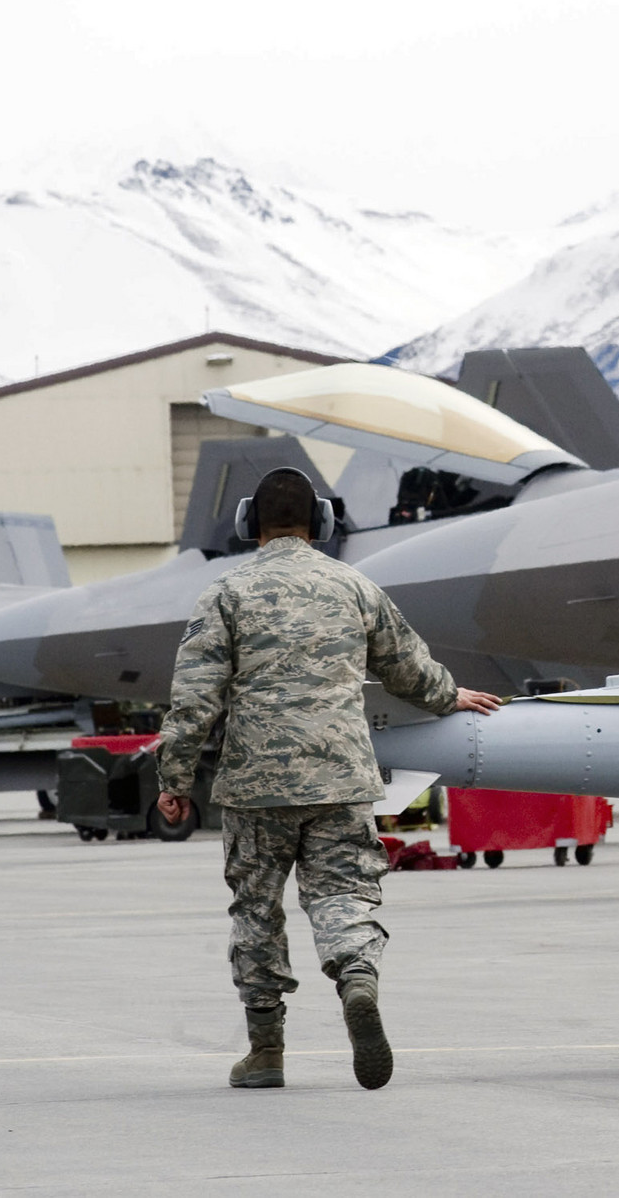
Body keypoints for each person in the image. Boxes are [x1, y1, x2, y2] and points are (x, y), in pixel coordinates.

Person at [152, 466, 501, 1091]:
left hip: (256, 784)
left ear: (246, 524)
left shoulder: (225, 593)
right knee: (343, 895)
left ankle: (266, 1053)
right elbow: (408, 670)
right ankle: (358, 983)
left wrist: (174, 781)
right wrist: (453, 696)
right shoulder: (355, 587)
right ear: (322, 522)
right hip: (342, 775)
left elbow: (194, 700)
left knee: (256, 911)